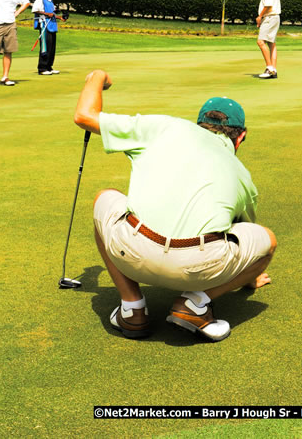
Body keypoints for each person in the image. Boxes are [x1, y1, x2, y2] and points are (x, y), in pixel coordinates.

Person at [74, 69, 277, 342]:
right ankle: (194, 304)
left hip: (133, 251)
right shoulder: (243, 175)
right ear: (241, 137)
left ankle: (132, 308)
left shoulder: (166, 126)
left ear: (199, 124)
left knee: (104, 198)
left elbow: (84, 116)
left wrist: (97, 77)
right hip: (198, 269)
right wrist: (251, 277)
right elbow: (243, 234)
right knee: (268, 241)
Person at [31, 0, 64, 76]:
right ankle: (42, 68)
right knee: (46, 46)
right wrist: (46, 13)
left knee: (52, 47)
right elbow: (35, 10)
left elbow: (51, 11)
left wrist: (58, 16)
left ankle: (49, 66)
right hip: (44, 25)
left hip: (52, 24)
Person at [254, 0, 281, 79]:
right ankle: (273, 69)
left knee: (260, 42)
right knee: (271, 43)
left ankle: (269, 68)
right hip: (274, 17)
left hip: (269, 17)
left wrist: (260, 16)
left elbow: (268, 5)